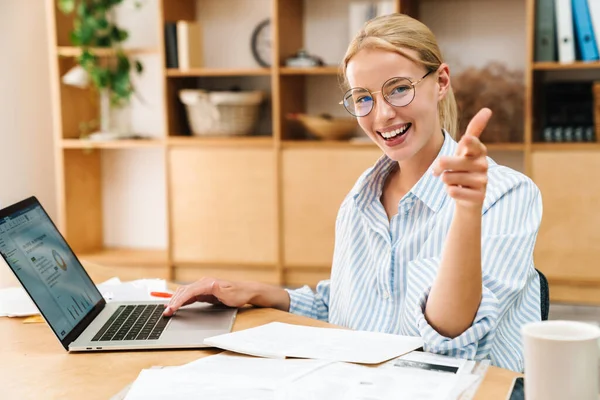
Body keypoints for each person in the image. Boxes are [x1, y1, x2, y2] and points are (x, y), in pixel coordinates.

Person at [163, 13, 542, 373]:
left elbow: (450, 338)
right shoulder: (361, 201)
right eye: (363, 98)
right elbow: (349, 310)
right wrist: (259, 292)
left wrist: (465, 210)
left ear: (441, 82)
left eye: (398, 89)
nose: (382, 115)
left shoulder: (507, 195)